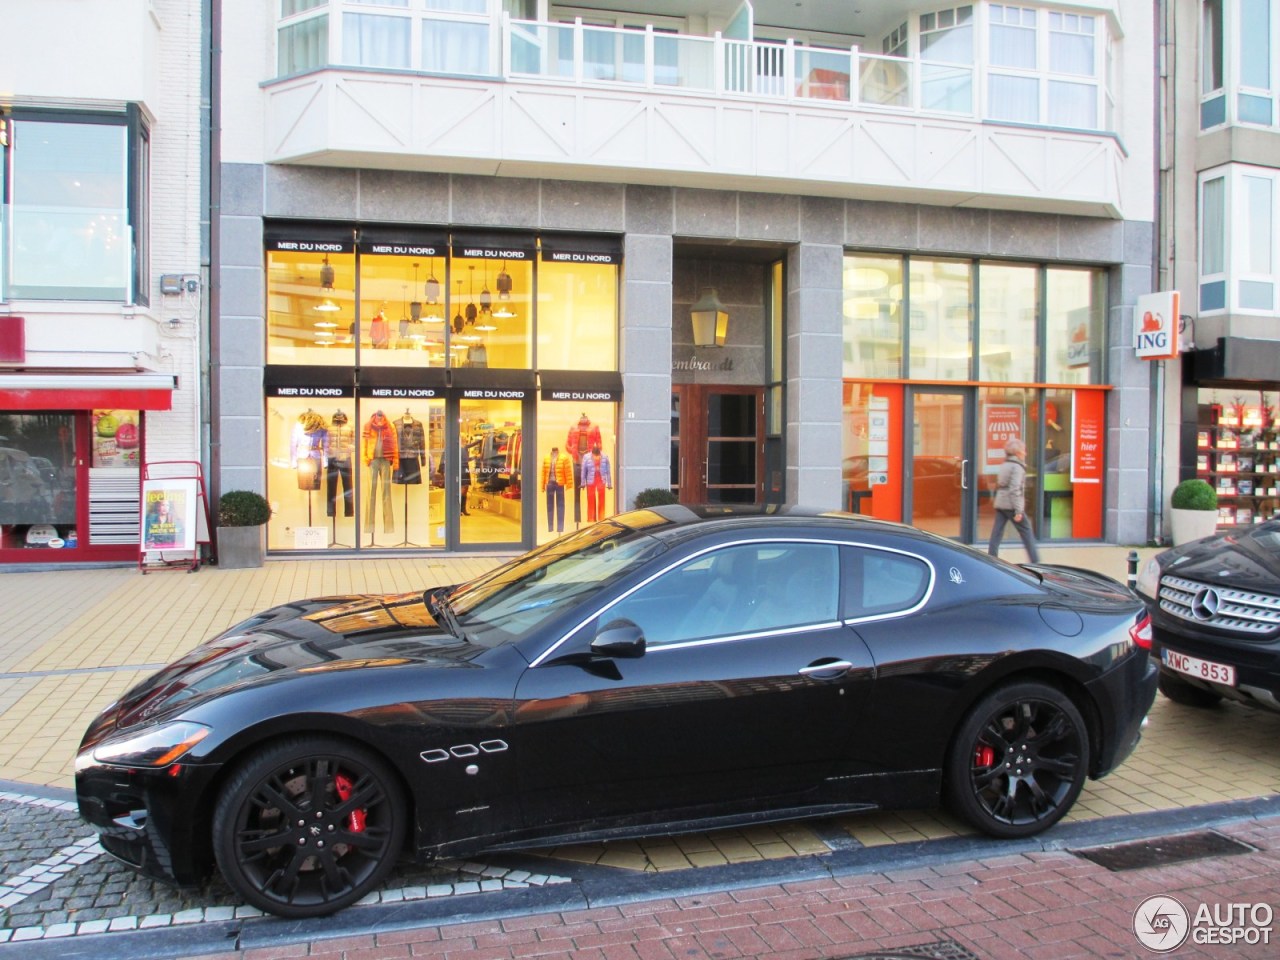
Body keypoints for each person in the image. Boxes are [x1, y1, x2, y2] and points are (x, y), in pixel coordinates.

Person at [988, 438, 1039, 563]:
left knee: (996, 534)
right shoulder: (1018, 467)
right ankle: (1035, 561)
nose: (1025, 453)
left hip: (1001, 503)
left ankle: (991, 559)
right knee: (1026, 532)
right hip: (1011, 505)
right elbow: (1015, 489)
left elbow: (1001, 484)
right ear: (1017, 452)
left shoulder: (1005, 465)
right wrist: (1018, 511)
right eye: (1023, 451)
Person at [541, 446, 573, 534]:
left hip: (560, 483)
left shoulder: (564, 458)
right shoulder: (546, 458)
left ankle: (560, 528)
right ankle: (550, 527)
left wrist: (569, 484)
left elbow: (568, 471)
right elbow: (543, 472)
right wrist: (542, 486)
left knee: (560, 506)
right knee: (549, 506)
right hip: (550, 483)